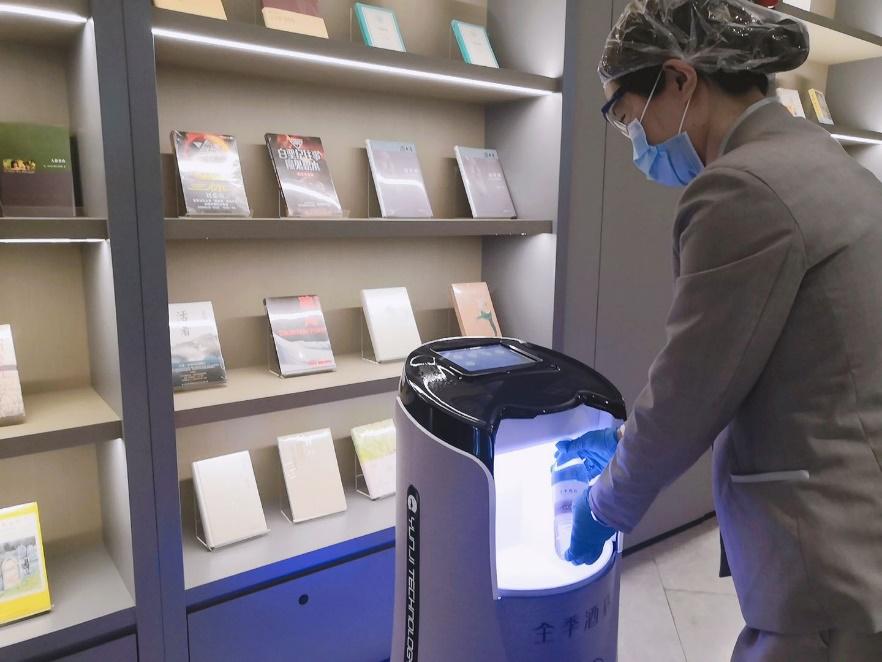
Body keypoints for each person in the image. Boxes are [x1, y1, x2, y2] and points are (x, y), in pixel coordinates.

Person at [555, 1, 882, 660]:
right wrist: (622, 442)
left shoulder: (742, 189)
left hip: (826, 555)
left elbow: (690, 393)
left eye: (626, 116)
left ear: (680, 80)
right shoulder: (826, 160)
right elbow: (771, 357)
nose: (635, 139)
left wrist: (602, 504)